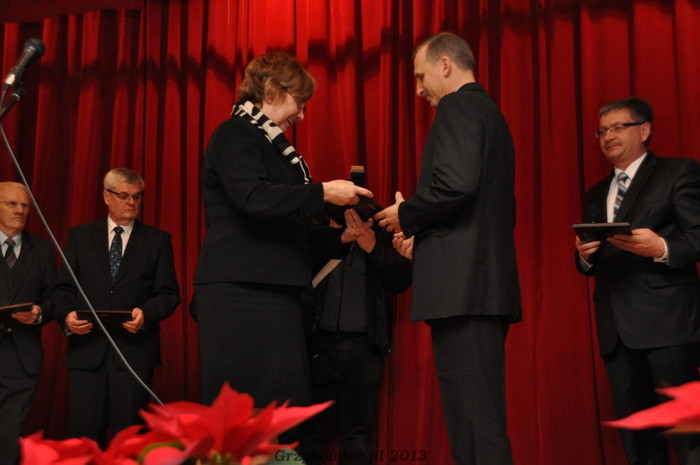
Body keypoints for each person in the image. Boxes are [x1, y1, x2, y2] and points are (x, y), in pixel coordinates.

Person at [374, 32, 521, 465]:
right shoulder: (490, 114)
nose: (419, 88)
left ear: (445, 64)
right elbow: (492, 209)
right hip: (481, 287)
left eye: (421, 76)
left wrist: (407, 214)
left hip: (464, 292)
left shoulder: (458, 106)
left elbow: (456, 184)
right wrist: (425, 241)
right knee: (478, 419)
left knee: (474, 424)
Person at [193, 51, 371, 408]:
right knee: (244, 410)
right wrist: (322, 192)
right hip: (241, 292)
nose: (301, 114)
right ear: (271, 90)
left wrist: (341, 236)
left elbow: (288, 225)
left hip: (274, 289)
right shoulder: (235, 133)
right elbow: (253, 198)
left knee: (282, 406)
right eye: (299, 101)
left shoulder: (271, 146)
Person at [575, 97, 700, 465]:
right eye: (602, 131)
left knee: (688, 434)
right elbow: (594, 261)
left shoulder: (678, 172)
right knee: (637, 438)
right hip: (616, 330)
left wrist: (661, 246)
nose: (608, 136)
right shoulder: (595, 193)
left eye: (618, 127)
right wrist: (584, 255)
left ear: (644, 130)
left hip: (670, 324)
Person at [53, 167, 180, 447]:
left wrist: (146, 314)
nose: (131, 202)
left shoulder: (157, 240)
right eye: (123, 196)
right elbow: (62, 289)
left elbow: (169, 294)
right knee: (85, 440)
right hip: (87, 353)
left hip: (134, 354)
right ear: (106, 197)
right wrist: (67, 316)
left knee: (130, 442)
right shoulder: (80, 236)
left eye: (137, 196)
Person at [298, 209, 412, 465]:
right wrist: (335, 237)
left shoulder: (380, 237)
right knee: (310, 430)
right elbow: (297, 273)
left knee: (357, 433)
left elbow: (402, 280)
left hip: (364, 348)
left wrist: (371, 247)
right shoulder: (315, 234)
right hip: (318, 347)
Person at [0, 182, 56, 465]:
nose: (20, 210)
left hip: (21, 356)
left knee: (10, 440)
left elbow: (54, 298)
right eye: (12, 204)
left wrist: (39, 312)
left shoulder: (42, 249)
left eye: (25, 205)